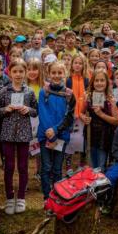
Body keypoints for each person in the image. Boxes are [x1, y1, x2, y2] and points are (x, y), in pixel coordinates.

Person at [0, 59, 38, 215]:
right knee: (9, 167)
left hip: (24, 134)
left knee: (23, 167)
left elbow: (35, 111)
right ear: (9, 73)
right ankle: (10, 197)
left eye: (21, 71)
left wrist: (28, 109)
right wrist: (6, 109)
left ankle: (21, 197)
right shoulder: (4, 91)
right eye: (15, 71)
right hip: (7, 135)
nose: (18, 74)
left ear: (25, 73)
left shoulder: (29, 92)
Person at [37, 62, 76, 201]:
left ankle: (57, 196)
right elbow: (42, 113)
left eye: (60, 73)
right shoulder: (44, 92)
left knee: (57, 169)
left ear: (64, 74)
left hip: (61, 136)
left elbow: (69, 117)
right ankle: (47, 197)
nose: (56, 75)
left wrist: (55, 130)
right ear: (49, 74)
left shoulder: (69, 94)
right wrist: (50, 134)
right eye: (53, 73)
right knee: (46, 167)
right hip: (45, 136)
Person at [82, 70, 118, 170]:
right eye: (96, 80)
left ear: (107, 82)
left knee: (101, 166)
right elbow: (81, 112)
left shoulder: (111, 99)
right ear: (92, 82)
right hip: (91, 134)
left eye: (102, 80)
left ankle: (101, 184)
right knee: (92, 164)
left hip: (105, 137)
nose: (99, 83)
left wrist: (101, 114)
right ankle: (92, 184)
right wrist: (84, 118)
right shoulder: (88, 97)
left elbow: (116, 121)